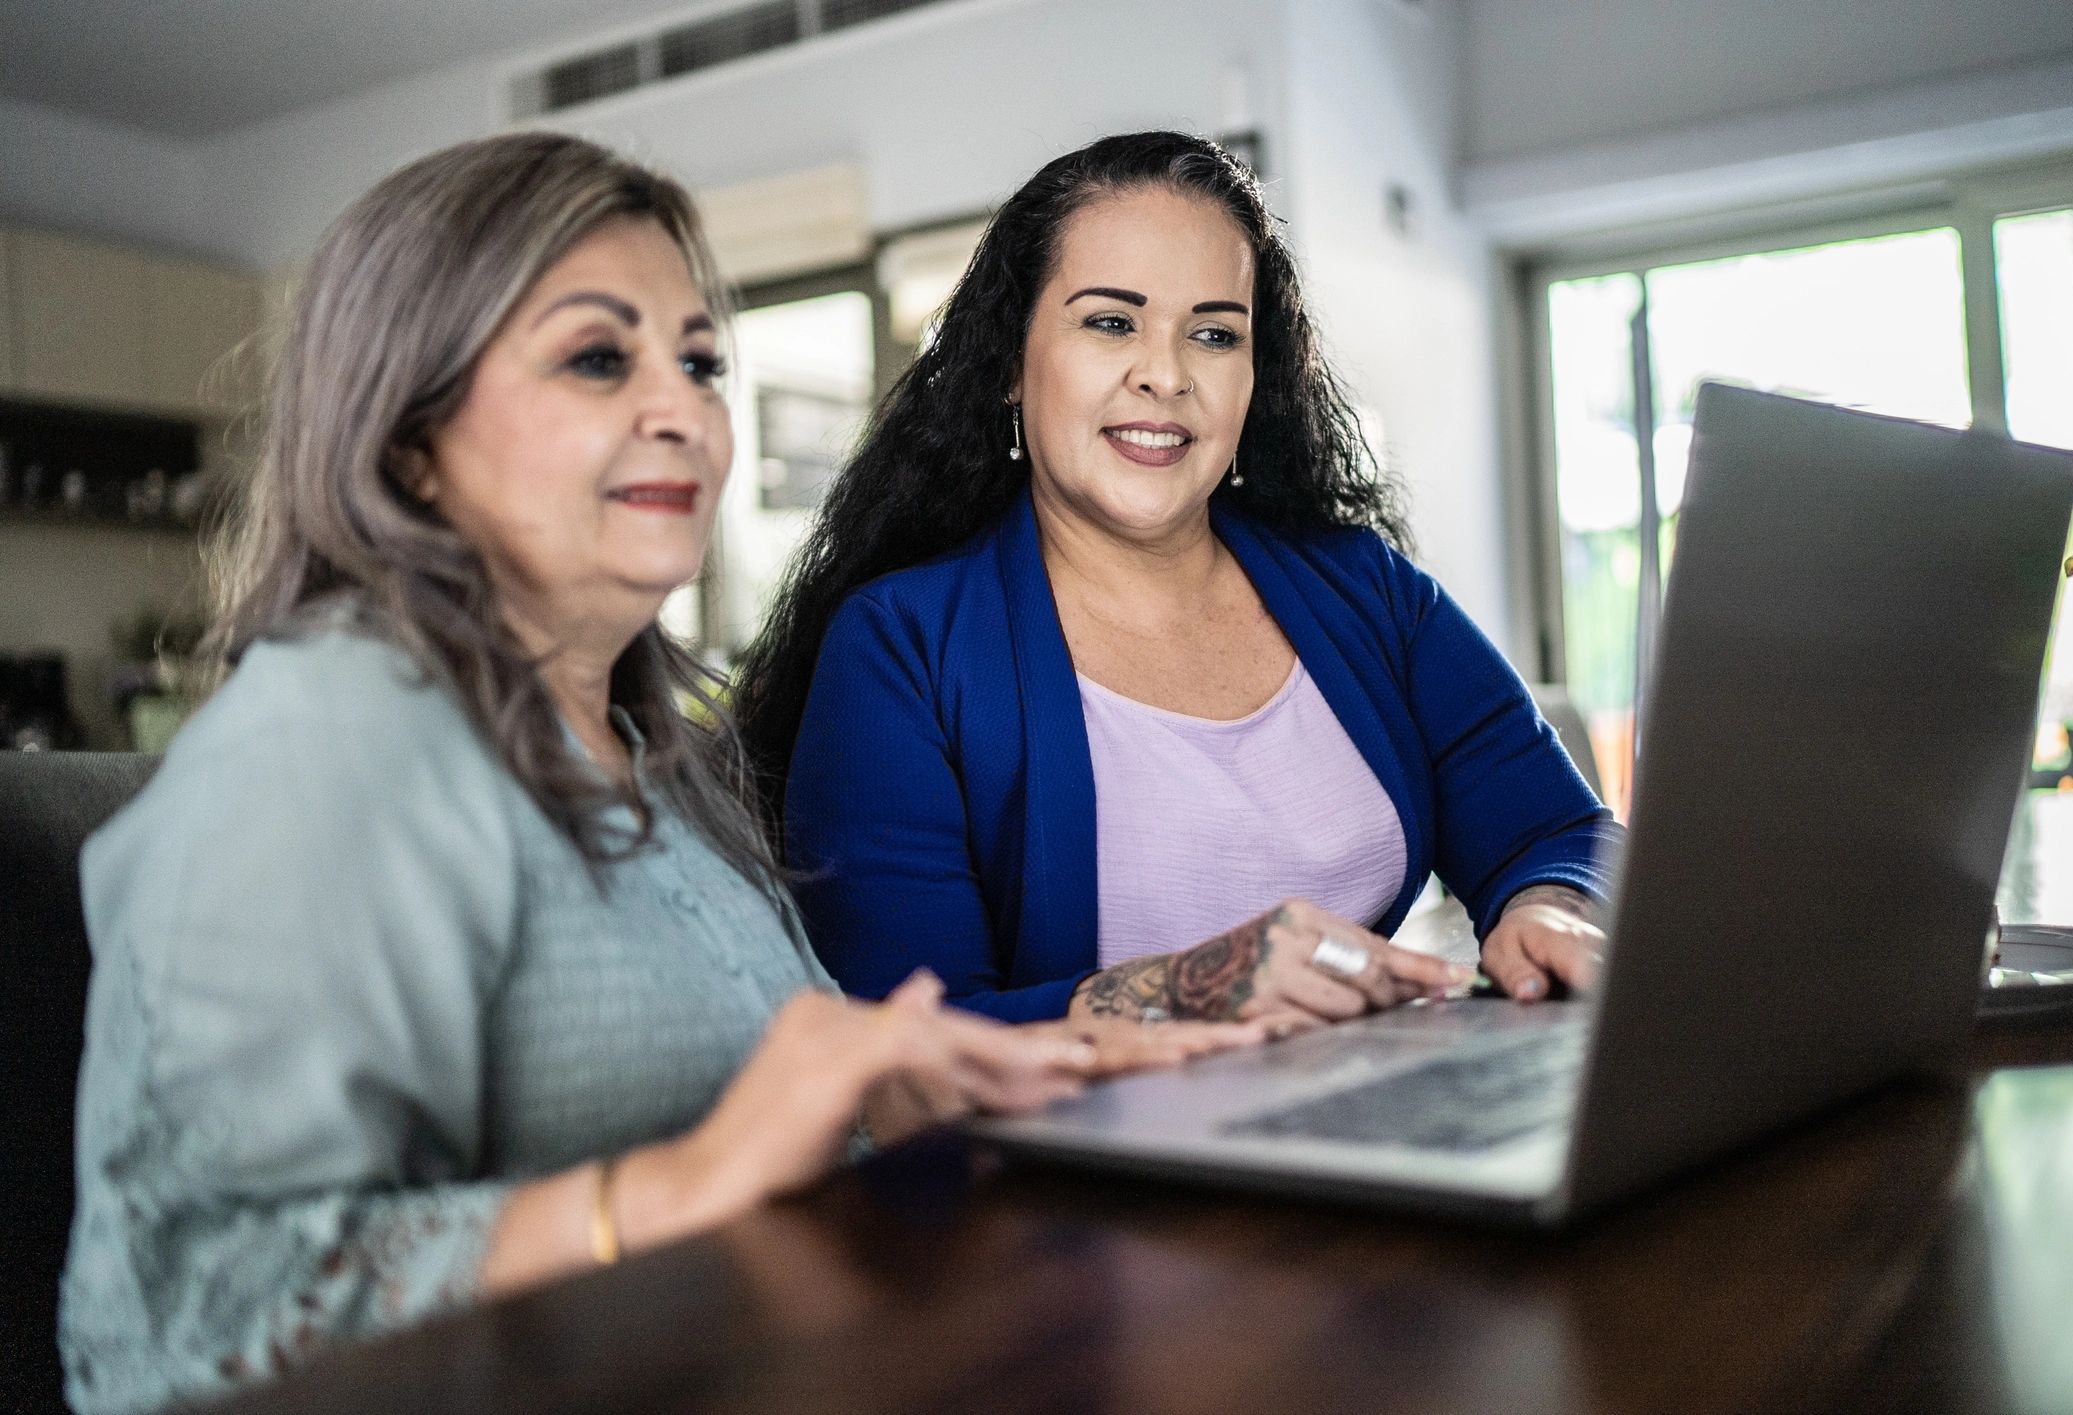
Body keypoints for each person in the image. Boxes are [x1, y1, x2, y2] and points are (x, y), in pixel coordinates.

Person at [59, 132, 1251, 1415]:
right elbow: (187, 1327)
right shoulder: (326, 744)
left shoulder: (660, 756)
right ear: (408, 440)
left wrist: (983, 1083)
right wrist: (677, 1189)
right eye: (596, 356)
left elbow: (780, 1121)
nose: (682, 407)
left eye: (698, 361)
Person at [736, 131, 1623, 1028]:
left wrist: (1550, 905)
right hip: (1084, 1165)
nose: (1165, 375)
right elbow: (907, 1052)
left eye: (1212, 334)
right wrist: (1184, 990)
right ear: (1010, 360)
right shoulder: (900, 647)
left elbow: (1556, 832)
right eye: (1111, 321)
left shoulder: (1364, 588)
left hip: (1380, 1131)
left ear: (1253, 375)